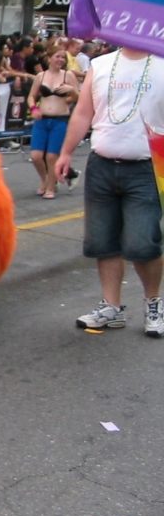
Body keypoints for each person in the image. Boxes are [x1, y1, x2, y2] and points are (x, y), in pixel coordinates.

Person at [56, 46, 164, 337]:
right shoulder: (101, 65)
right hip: (101, 164)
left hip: (146, 168)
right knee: (103, 241)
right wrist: (65, 153)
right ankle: (111, 307)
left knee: (143, 242)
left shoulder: (161, 63)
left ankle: (154, 303)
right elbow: (82, 113)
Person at [28, 45, 78, 199]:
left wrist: (71, 91)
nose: (60, 60)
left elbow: (77, 97)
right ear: (49, 58)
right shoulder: (40, 76)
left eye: (63, 57)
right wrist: (34, 109)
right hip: (42, 120)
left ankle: (51, 187)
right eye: (57, 56)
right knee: (36, 156)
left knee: (51, 156)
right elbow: (31, 96)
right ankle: (46, 179)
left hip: (59, 120)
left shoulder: (68, 75)